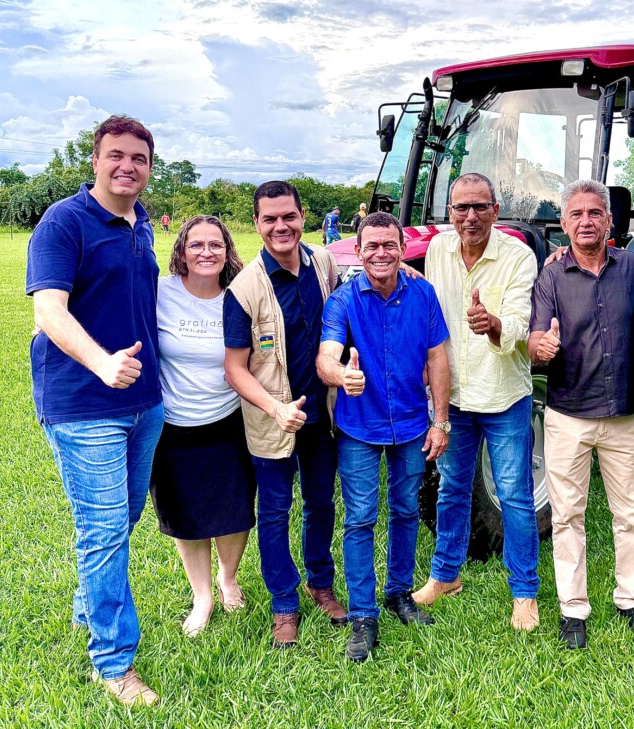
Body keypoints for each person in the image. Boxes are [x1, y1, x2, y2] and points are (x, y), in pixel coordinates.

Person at [26, 115, 163, 706]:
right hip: (85, 405)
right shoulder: (64, 222)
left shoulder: (142, 225)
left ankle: (88, 609)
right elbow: (49, 313)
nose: (127, 165)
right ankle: (114, 664)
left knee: (124, 516)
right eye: (116, 155)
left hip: (144, 403)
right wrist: (102, 363)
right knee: (104, 529)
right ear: (95, 160)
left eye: (139, 157)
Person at [316, 212, 451, 662]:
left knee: (406, 509)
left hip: (413, 423)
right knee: (359, 519)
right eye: (371, 245)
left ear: (401, 247)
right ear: (358, 250)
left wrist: (441, 421)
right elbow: (326, 358)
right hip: (360, 426)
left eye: (388, 245)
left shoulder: (424, 293)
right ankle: (362, 614)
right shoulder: (342, 301)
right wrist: (341, 376)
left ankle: (398, 593)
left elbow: (437, 359)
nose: (380, 253)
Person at [529, 180, 634, 651]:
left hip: (625, 413)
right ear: (563, 225)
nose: (586, 221)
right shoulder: (551, 277)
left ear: (610, 221)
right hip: (569, 414)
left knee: (630, 515)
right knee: (567, 516)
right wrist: (538, 346)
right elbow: (534, 338)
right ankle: (573, 609)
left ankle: (631, 600)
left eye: (595, 213)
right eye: (576, 214)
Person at [413, 172, 541, 632]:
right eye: (461, 208)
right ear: (449, 212)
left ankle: (524, 591)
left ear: (496, 211)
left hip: (503, 393)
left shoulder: (518, 256)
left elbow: (521, 323)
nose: (470, 217)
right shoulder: (436, 250)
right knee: (451, 487)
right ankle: (445, 576)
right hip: (455, 397)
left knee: (514, 494)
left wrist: (491, 324)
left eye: (480, 207)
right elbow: (431, 315)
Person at [223, 180, 346, 648]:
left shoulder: (325, 263)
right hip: (272, 420)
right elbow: (235, 368)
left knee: (321, 504)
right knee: (275, 512)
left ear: (302, 216)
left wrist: (409, 274)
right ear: (256, 224)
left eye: (289, 216)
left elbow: (349, 304)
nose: (281, 226)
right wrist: (275, 408)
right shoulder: (244, 289)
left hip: (322, 416)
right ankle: (283, 604)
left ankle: (320, 583)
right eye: (269, 219)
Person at [149, 215, 256, 639]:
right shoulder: (160, 293)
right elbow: (113, 314)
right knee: (185, 517)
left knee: (233, 513)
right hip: (173, 426)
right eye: (197, 245)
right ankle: (202, 595)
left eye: (216, 245)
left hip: (227, 422)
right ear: (181, 251)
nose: (206, 252)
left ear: (228, 251)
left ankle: (229, 579)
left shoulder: (238, 297)